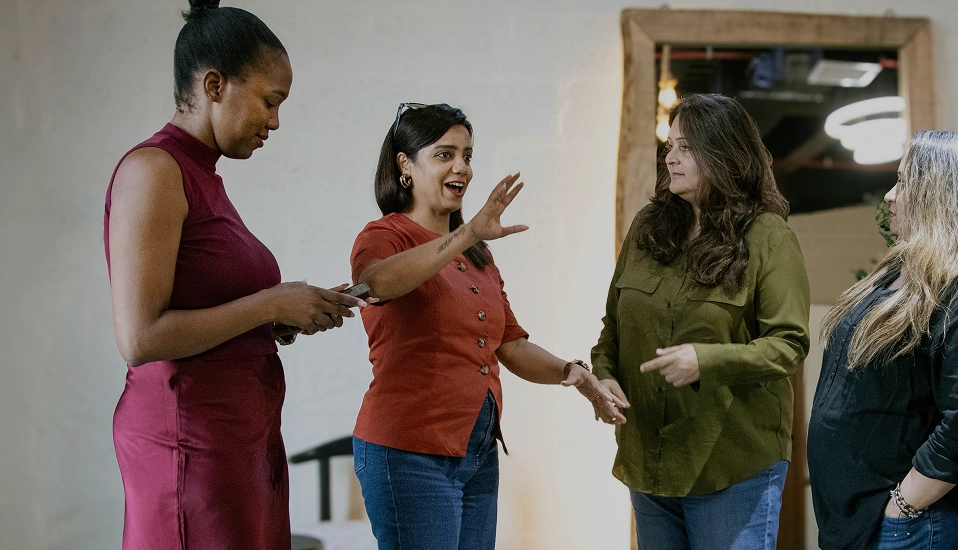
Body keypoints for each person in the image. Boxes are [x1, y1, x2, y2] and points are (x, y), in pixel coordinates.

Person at [103, 2, 365, 548]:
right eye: (270, 101)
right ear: (215, 84)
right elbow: (139, 338)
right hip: (188, 447)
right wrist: (270, 303)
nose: (274, 121)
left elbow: (207, 309)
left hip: (236, 441)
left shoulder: (204, 176)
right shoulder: (153, 171)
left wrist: (285, 315)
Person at [347, 103, 625, 550]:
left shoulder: (477, 254)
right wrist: (469, 233)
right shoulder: (384, 236)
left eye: (468, 155)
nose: (462, 167)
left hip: (476, 450)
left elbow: (510, 344)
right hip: (408, 451)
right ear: (405, 165)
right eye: (444, 154)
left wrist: (576, 375)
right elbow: (376, 284)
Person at [589, 93, 811, 550]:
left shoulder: (769, 237)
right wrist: (604, 377)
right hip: (648, 457)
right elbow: (613, 324)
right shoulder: (647, 228)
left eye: (686, 147)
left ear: (726, 154)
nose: (670, 158)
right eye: (669, 145)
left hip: (731, 463)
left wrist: (705, 361)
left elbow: (789, 344)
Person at [807, 131, 958, 550]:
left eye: (905, 182)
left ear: (943, 197)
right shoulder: (900, 276)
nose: (890, 196)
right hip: (868, 523)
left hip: (914, 526)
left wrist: (903, 505)